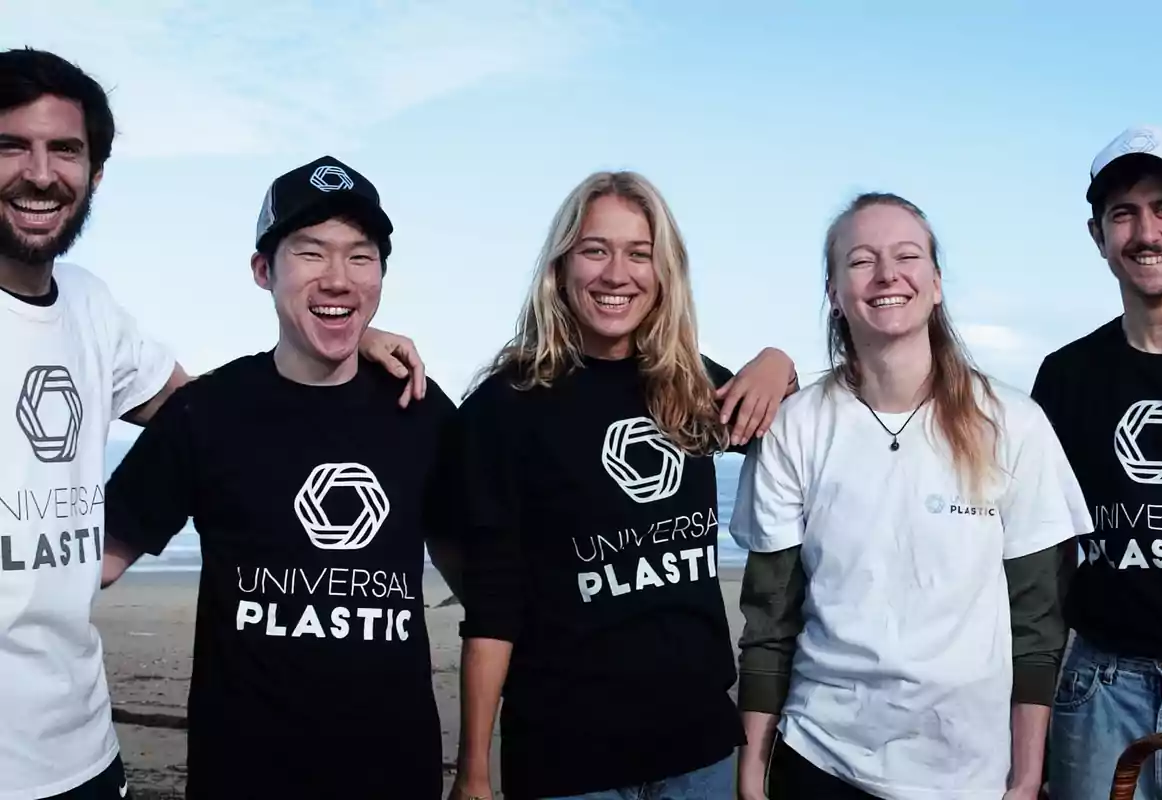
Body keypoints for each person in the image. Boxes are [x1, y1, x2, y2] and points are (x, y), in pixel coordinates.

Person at [0, 47, 428, 800]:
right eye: (10, 146)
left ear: (94, 172)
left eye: (64, 149)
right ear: (265, 268)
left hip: (79, 751)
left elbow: (216, 417)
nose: (40, 173)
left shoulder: (90, 307)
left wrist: (336, 337)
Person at [98, 155, 460, 799]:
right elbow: (90, 561)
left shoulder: (422, 410)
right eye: (311, 253)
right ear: (264, 271)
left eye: (361, 256)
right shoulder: (206, 412)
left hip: (393, 770)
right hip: (244, 772)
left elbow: (490, 572)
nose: (338, 278)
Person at [445, 170, 798, 800]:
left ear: (664, 272)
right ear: (560, 267)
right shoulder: (506, 406)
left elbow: (808, 435)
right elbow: (492, 602)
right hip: (568, 759)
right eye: (594, 250)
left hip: (701, 752)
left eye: (640, 253)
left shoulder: (693, 386)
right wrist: (473, 772)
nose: (617, 274)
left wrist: (781, 363)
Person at [730, 191, 1092, 800]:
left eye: (907, 256)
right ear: (834, 291)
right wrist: (752, 774)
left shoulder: (1014, 423)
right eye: (861, 260)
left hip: (968, 774)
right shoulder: (797, 427)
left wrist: (1026, 777)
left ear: (936, 282)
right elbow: (769, 621)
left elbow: (1038, 625)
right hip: (821, 759)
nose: (887, 274)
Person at [1037, 125, 1162, 800]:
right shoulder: (1067, 378)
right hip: (1101, 690)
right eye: (1122, 214)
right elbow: (1045, 555)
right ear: (1097, 234)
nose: (1145, 231)